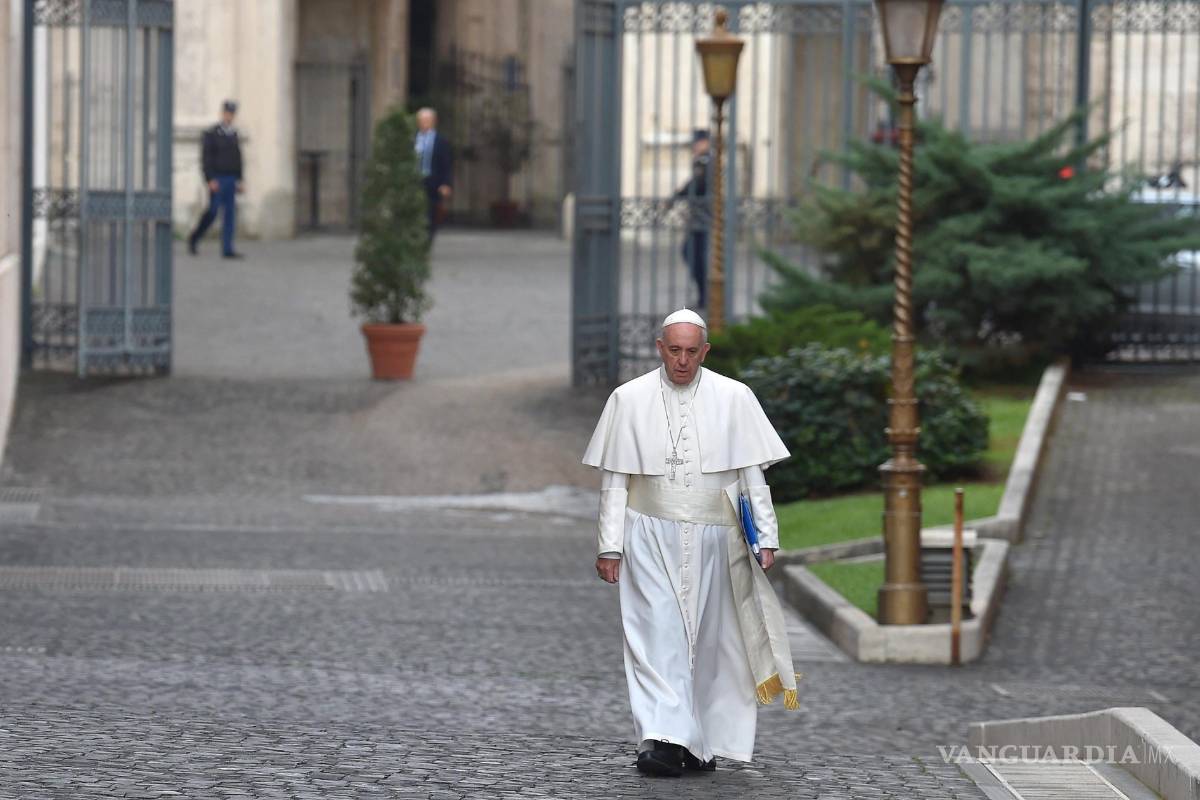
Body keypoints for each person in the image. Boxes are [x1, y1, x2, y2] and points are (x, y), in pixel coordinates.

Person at [582, 308, 801, 778]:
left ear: (705, 351)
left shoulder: (735, 396)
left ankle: (697, 742)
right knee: (655, 635)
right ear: (660, 348)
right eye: (673, 350)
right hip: (648, 532)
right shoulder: (628, 398)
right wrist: (609, 545)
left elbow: (751, 476)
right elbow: (615, 479)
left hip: (715, 537)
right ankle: (661, 740)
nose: (682, 361)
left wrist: (766, 536)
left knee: (709, 643)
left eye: (691, 352)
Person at [189, 100, 244, 259]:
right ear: (223, 113)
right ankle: (195, 237)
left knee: (230, 214)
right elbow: (206, 158)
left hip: (231, 178)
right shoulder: (211, 134)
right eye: (228, 113)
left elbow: (238, 158)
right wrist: (210, 179)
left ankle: (227, 248)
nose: (230, 116)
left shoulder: (234, 134)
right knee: (212, 212)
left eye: (232, 114)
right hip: (218, 178)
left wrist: (240, 179)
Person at [674, 130, 711, 310]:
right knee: (692, 254)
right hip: (698, 219)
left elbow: (699, 183)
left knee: (697, 256)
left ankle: (707, 296)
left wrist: (681, 194)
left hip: (705, 219)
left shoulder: (707, 161)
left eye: (697, 142)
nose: (694, 146)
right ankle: (705, 295)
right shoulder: (701, 160)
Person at [414, 107, 453, 241]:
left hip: (433, 183)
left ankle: (427, 241)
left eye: (427, 120)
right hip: (415, 182)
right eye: (421, 120)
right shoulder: (413, 139)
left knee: (430, 214)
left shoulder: (440, 141)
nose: (424, 123)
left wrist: (446, 183)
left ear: (433, 122)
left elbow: (446, 164)